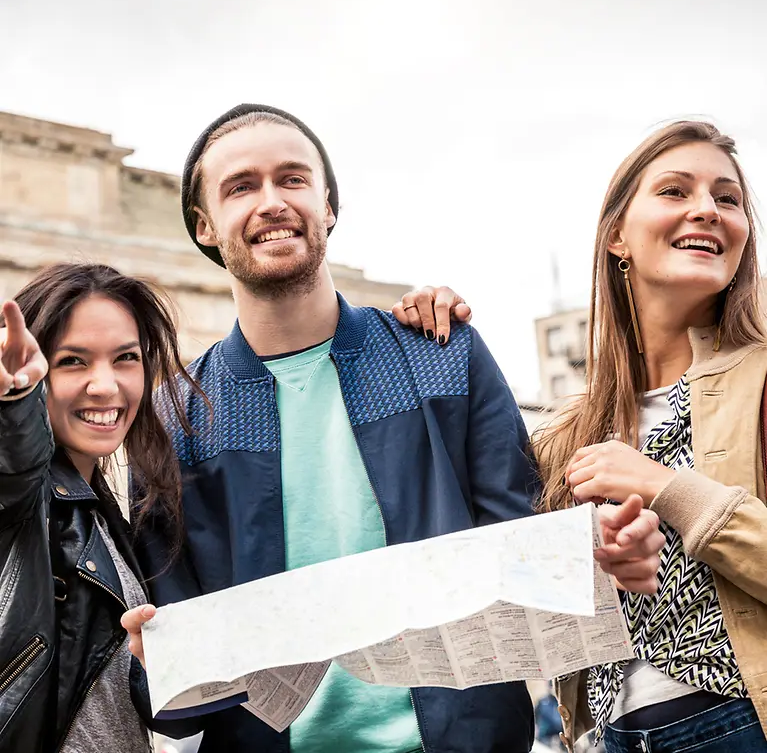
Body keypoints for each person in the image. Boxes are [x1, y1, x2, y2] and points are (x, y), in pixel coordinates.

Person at [122, 103, 664, 753]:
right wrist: (152, 665)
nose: (271, 201)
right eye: (242, 186)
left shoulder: (443, 353)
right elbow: (177, 704)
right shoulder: (171, 419)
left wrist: (603, 554)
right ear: (205, 226)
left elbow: (532, 559)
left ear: (328, 205)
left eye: (292, 179)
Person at [524, 121, 767, 752]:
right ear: (616, 236)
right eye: (675, 190)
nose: (707, 210)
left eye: (728, 198)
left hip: (741, 724)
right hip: (608, 737)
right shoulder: (567, 435)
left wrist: (667, 489)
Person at [0, 263, 203, 753]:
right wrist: (16, 399)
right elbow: (14, 462)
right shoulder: (26, 495)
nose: (106, 385)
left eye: (125, 358)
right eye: (73, 361)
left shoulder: (101, 512)